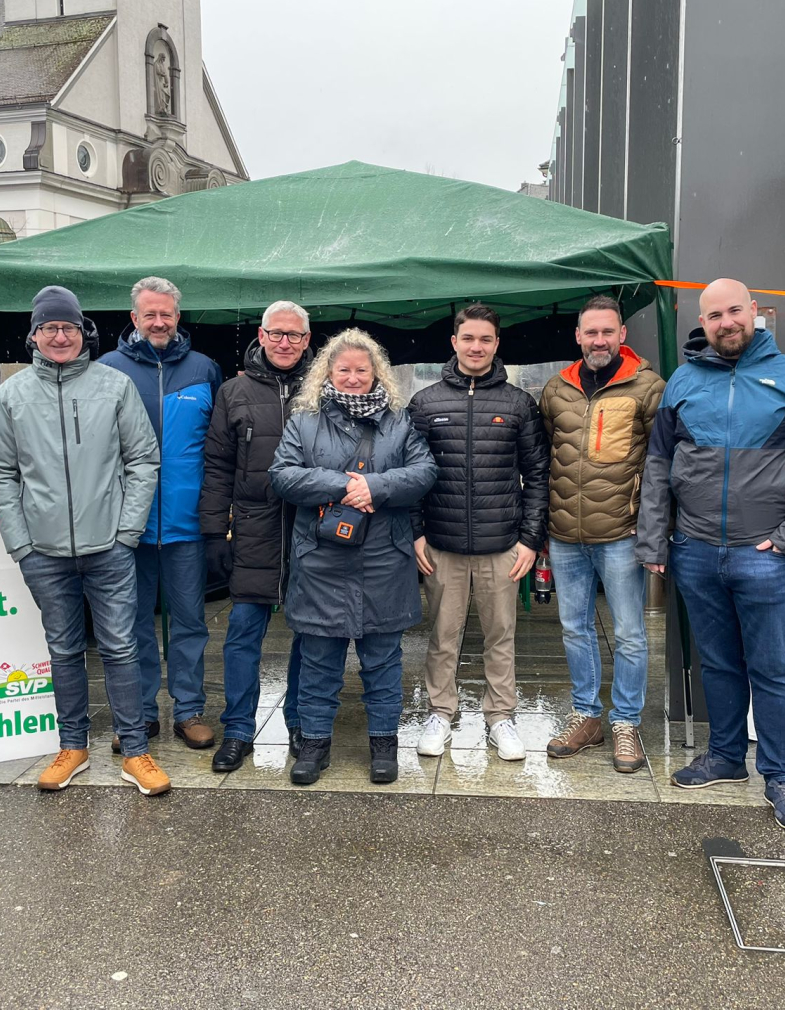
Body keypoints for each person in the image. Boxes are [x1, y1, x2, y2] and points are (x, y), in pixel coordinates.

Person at [636, 278, 785, 831]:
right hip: (697, 550)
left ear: (755, 312)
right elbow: (658, 464)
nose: (726, 322)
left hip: (769, 553)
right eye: (714, 315)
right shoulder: (683, 380)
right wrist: (655, 538)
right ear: (701, 323)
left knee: (773, 668)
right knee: (717, 662)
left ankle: (781, 776)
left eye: (734, 311)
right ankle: (726, 757)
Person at [0, 286, 168, 795]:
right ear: (34, 336)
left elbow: (143, 459)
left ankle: (135, 751)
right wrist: (20, 543)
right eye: (49, 328)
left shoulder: (113, 386)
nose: (59, 336)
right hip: (42, 551)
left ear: (82, 332)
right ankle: (74, 746)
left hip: (109, 546)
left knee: (121, 647)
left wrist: (126, 531)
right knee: (63, 650)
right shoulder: (12, 395)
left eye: (67, 327)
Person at [269, 328, 437, 785]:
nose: (353, 377)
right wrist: (344, 485)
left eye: (362, 370)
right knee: (320, 662)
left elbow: (424, 472)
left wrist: (376, 488)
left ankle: (384, 746)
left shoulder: (399, 421)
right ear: (328, 371)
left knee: (383, 660)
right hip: (321, 559)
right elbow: (282, 475)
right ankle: (314, 746)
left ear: (375, 372)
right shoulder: (303, 421)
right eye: (343, 369)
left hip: (384, 557)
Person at [409, 303, 549, 762]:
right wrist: (415, 534)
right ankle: (439, 712)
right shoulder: (426, 404)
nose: (476, 346)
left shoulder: (518, 404)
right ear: (454, 342)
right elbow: (408, 475)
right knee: (442, 635)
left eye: (485, 339)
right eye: (468, 338)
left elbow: (538, 474)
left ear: (496, 344)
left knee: (500, 635)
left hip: (502, 546)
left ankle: (500, 717)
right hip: (441, 545)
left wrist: (530, 540)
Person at [537, 295, 664, 771]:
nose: (599, 340)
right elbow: (546, 454)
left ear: (622, 335)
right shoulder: (556, 390)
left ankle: (626, 722)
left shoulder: (648, 388)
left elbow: (661, 465)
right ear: (578, 336)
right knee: (574, 628)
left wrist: (654, 532)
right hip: (566, 534)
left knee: (630, 633)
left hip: (622, 534)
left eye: (607, 331)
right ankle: (587, 715)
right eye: (591, 332)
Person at [100, 276, 223, 750]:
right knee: (132, 624)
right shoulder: (108, 369)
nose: (158, 322)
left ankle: (189, 710)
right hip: (126, 524)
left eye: (166, 314)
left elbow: (217, 447)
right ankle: (140, 715)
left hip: (186, 523)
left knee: (190, 621)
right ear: (134, 318)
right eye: (149, 314)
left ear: (178, 317)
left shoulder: (204, 369)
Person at [199, 301, 314, 772]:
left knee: (310, 634)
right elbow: (217, 465)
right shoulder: (234, 391)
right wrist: (213, 531)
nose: (285, 342)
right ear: (261, 336)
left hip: (311, 529)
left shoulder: (324, 389)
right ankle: (239, 729)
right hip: (253, 527)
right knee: (244, 634)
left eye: (294, 335)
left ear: (307, 340)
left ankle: (303, 724)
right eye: (277, 333)